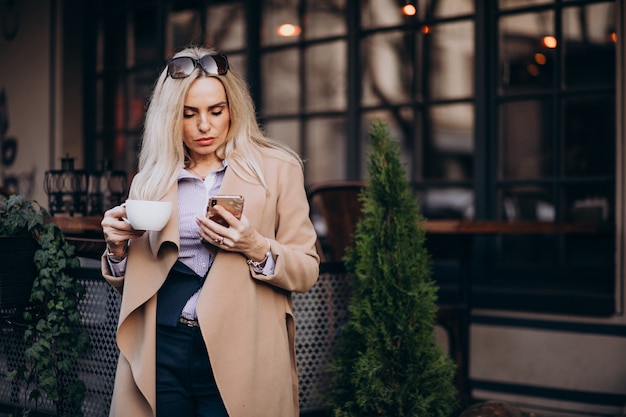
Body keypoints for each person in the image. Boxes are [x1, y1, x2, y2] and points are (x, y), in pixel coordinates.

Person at [101, 45, 320, 417]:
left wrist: (256, 246)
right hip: (164, 345)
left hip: (243, 349)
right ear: (170, 117)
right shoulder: (151, 180)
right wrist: (116, 252)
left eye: (216, 111)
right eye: (190, 114)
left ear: (233, 108)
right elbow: (137, 279)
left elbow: (307, 270)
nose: (205, 126)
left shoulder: (278, 169)